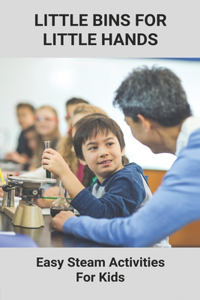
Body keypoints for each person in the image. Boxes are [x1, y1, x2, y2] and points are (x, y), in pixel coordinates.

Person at [50, 66, 200, 247]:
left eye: (128, 124)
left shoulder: (192, 162)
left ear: (144, 123)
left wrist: (71, 223)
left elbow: (136, 231)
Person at [42, 114, 152, 219]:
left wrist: (64, 173)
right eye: (93, 147)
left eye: (109, 144)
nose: (103, 152)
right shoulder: (99, 185)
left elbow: (104, 216)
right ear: (81, 158)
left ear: (122, 149)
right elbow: (88, 203)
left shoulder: (129, 179)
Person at [29, 105, 61, 170]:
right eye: (39, 119)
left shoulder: (61, 146)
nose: (42, 122)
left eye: (47, 119)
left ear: (57, 122)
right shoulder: (38, 143)